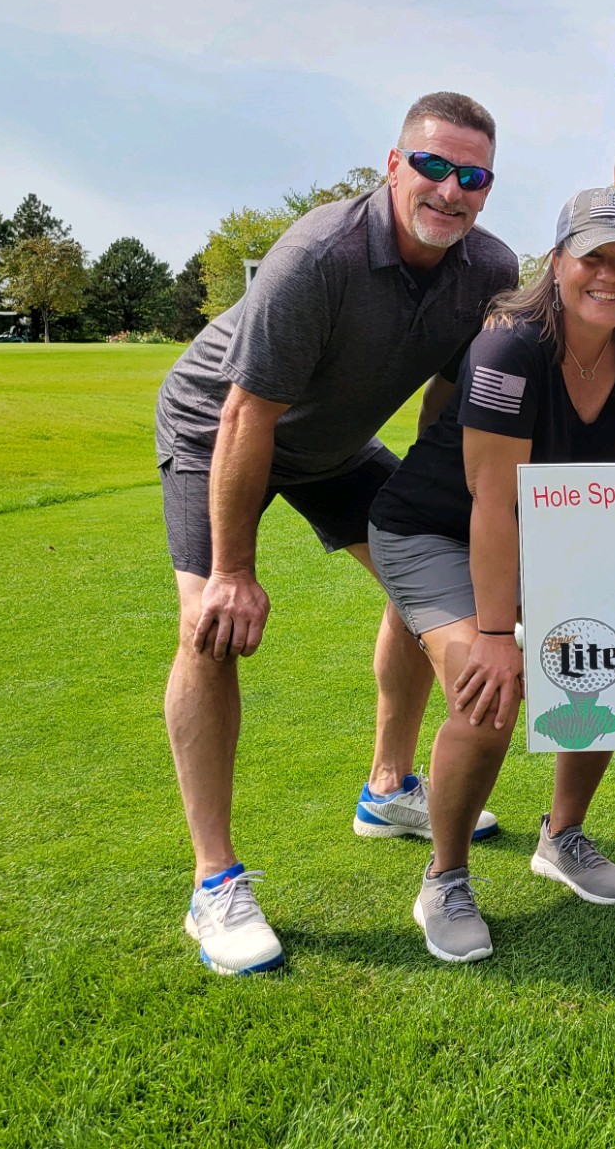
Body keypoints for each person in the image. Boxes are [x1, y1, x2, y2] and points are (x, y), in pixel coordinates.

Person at [153, 91, 519, 975]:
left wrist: (440, 501)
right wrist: (235, 567)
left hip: (336, 446)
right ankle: (214, 884)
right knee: (210, 628)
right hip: (220, 431)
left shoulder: (488, 269)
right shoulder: (318, 253)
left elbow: (447, 394)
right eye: (432, 166)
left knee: (423, 577)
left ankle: (387, 787)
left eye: (472, 176)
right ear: (393, 165)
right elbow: (248, 412)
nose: (449, 189)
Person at [369, 188, 615, 963]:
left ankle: (561, 835)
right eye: (592, 256)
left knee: (607, 665)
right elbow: (492, 500)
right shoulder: (510, 343)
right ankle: (444, 875)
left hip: (552, 525)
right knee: (488, 689)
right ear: (558, 261)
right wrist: (501, 634)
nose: (607, 275)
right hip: (436, 525)